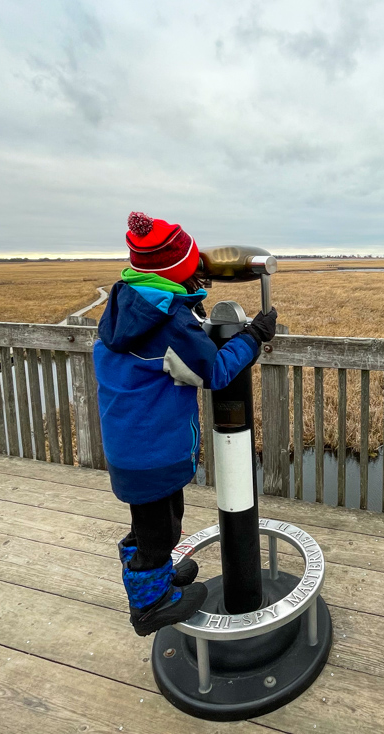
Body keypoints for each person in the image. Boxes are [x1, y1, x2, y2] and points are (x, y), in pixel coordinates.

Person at [93, 211, 277, 636]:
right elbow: (213, 371)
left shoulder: (129, 303)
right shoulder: (171, 325)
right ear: (178, 269)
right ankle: (150, 605)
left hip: (131, 445)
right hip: (153, 450)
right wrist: (253, 337)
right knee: (159, 531)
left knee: (154, 521)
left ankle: (158, 576)